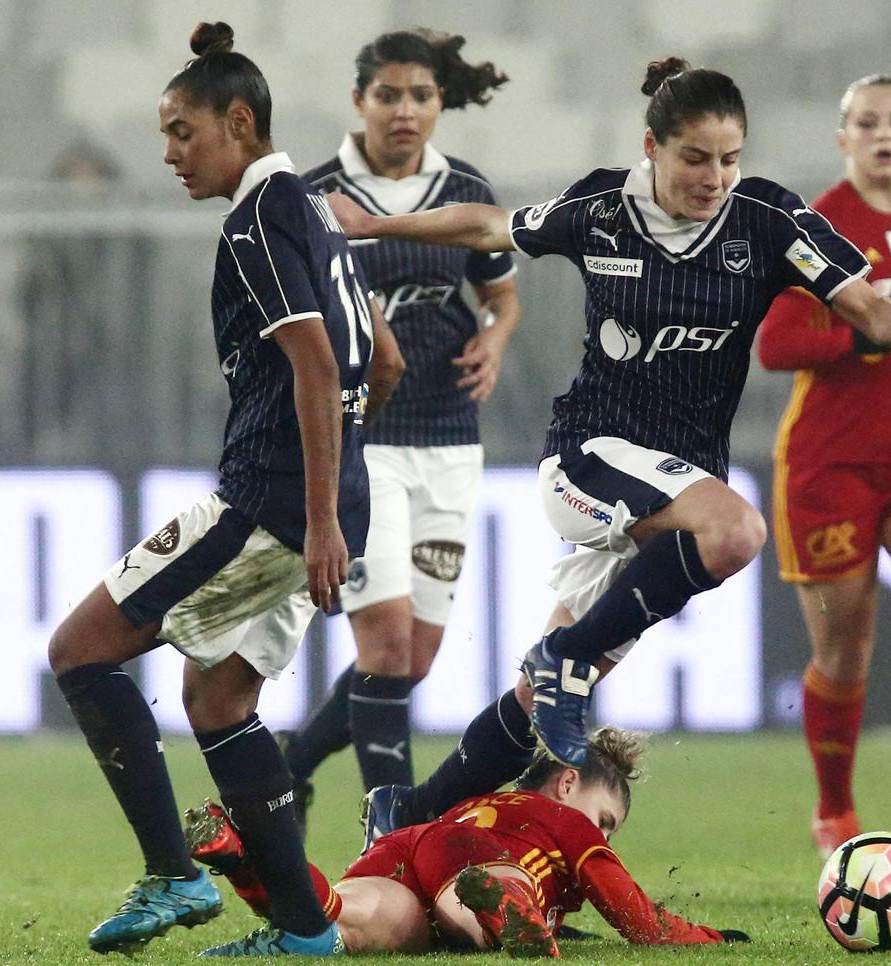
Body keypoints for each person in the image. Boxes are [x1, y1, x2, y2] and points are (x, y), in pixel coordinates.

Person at [327, 55, 891, 792]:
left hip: (672, 493)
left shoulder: (767, 220)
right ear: (652, 148)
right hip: (589, 461)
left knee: (538, 707)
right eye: (695, 158)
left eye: (729, 159)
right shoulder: (602, 209)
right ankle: (564, 658)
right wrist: (375, 223)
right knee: (735, 533)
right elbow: (488, 227)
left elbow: (874, 312)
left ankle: (409, 816)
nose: (714, 177)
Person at [46, 22, 403, 957]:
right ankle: (303, 933)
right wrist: (339, 493)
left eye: (181, 131)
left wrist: (313, 515)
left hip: (268, 504)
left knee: (80, 652)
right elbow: (386, 359)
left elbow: (318, 368)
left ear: (238, 121)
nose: (168, 153)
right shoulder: (317, 209)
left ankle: (173, 874)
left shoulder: (255, 221)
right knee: (216, 702)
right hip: (325, 503)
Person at [277, 28, 520, 823]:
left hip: (450, 435)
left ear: (440, 102)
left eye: (421, 95)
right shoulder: (314, 195)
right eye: (389, 95)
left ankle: (291, 763)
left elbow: (502, 292)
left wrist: (494, 335)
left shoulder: (469, 188)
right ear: (359, 101)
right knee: (382, 650)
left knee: (413, 660)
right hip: (362, 436)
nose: (405, 111)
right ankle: (400, 826)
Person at [756, 75, 891, 862]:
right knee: (844, 650)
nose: (883, 135)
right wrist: (870, 336)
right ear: (842, 137)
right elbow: (776, 346)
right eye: (866, 123)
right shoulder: (815, 228)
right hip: (831, 458)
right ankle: (834, 807)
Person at [185, 727, 750, 956]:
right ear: (569, 782)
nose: (601, 834)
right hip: (477, 865)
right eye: (605, 819)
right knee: (496, 886)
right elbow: (638, 920)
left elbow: (443, 847)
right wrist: (710, 938)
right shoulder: (560, 821)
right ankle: (506, 908)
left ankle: (247, 861)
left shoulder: (485, 804)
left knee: (336, 921)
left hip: (410, 847)